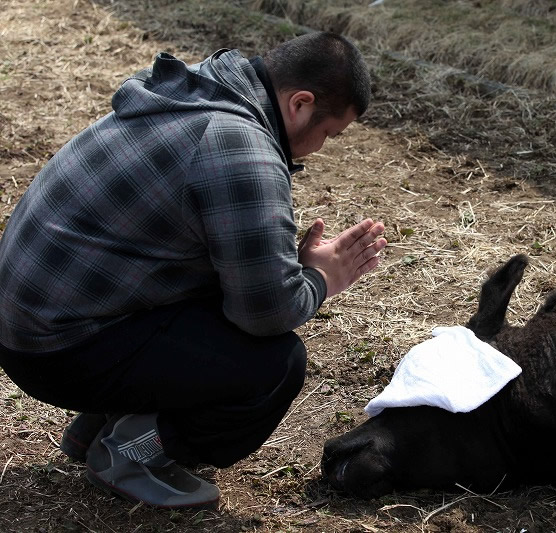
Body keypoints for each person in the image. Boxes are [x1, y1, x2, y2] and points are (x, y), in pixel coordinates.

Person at [0, 31, 386, 509]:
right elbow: (267, 312)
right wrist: (323, 278)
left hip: (31, 321)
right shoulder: (239, 146)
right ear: (301, 104)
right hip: (56, 349)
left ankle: (99, 422)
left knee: (219, 291)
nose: (321, 148)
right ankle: (131, 452)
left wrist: (293, 269)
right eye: (329, 133)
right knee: (272, 366)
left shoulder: (199, 89)